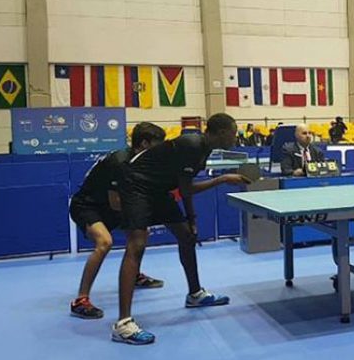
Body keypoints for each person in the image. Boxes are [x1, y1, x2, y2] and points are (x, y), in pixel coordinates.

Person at [113, 113, 251, 345]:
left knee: (186, 237)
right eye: (233, 133)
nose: (235, 138)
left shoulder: (203, 149)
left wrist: (191, 221)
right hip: (136, 185)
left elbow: (183, 187)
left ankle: (195, 294)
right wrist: (221, 181)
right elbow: (186, 190)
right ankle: (123, 324)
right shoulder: (192, 144)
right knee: (136, 245)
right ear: (220, 133)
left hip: (157, 189)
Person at [69, 122, 167, 320]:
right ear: (145, 143)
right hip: (88, 206)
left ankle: (135, 274)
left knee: (141, 232)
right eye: (158, 145)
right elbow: (116, 204)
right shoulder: (120, 162)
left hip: (110, 204)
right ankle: (80, 300)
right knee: (104, 242)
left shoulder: (140, 160)